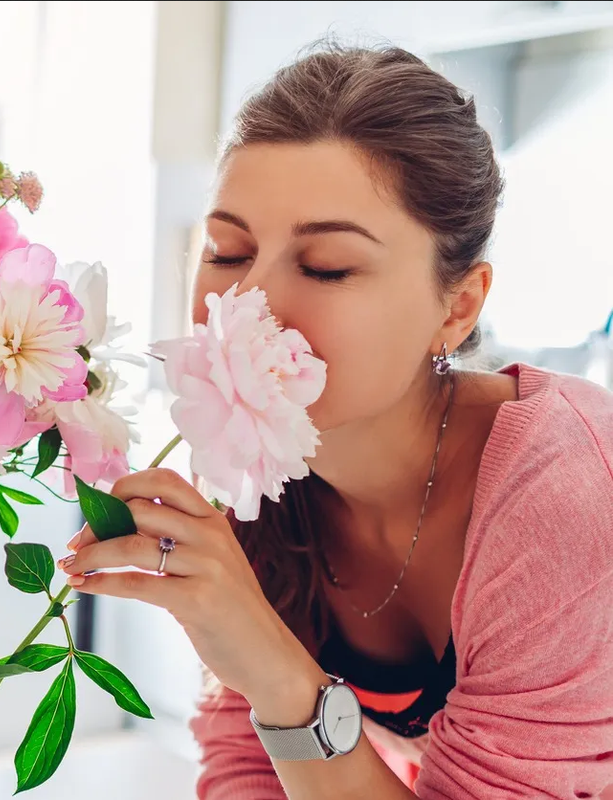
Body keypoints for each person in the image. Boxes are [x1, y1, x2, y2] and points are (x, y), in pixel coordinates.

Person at [59, 42, 613, 799]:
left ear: (457, 308)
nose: (245, 304)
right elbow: (246, 766)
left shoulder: (566, 500)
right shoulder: (255, 474)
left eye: (326, 266)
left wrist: (277, 676)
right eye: (227, 252)